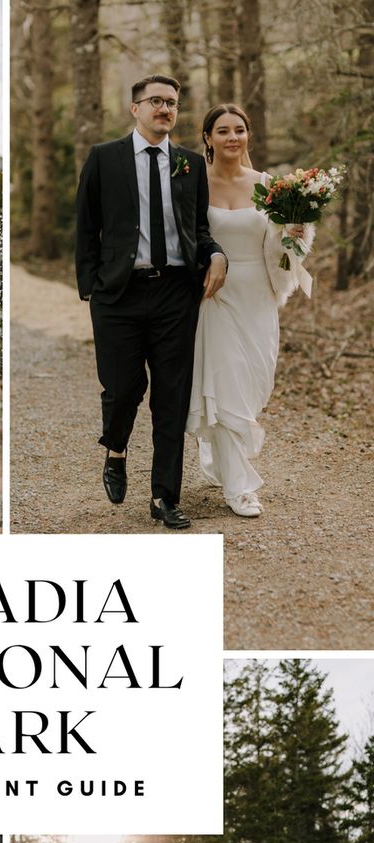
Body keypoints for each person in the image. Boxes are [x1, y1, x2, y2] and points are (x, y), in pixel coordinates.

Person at [75, 74, 227, 529]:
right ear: (134, 108)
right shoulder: (105, 159)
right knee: (122, 389)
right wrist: (93, 289)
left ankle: (164, 496)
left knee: (171, 396)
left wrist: (214, 253)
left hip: (175, 293)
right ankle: (116, 449)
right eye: (156, 101)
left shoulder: (189, 165)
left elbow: (197, 228)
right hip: (118, 293)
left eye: (172, 103)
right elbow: (86, 227)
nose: (165, 109)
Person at [186, 104, 311, 517]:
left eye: (239, 130)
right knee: (225, 383)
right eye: (222, 131)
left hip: (258, 296)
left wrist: (296, 234)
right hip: (213, 295)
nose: (232, 138)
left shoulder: (267, 186)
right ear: (207, 138)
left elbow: (283, 251)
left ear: (247, 136)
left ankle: (221, 458)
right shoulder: (193, 185)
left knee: (254, 383)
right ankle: (240, 488)